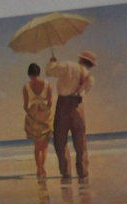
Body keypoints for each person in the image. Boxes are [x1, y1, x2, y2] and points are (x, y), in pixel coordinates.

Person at [45, 50, 96, 183]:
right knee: (80, 142)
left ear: (80, 60)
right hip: (78, 107)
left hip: (63, 105)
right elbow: (82, 93)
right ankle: (83, 173)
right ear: (90, 65)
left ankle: (66, 173)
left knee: (60, 140)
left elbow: (50, 71)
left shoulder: (68, 65)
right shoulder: (90, 78)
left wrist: (52, 62)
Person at [22, 62, 54, 180]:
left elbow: (25, 106)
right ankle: (41, 168)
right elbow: (50, 102)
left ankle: (39, 169)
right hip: (44, 116)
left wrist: (32, 113)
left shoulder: (26, 87)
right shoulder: (48, 85)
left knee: (37, 145)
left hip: (33, 117)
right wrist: (44, 111)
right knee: (44, 145)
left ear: (29, 75)